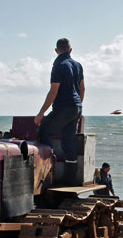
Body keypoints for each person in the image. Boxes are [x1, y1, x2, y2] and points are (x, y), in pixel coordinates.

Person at [34, 38, 85, 185]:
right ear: (70, 50)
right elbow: (82, 88)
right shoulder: (78, 65)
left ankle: (49, 165)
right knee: (69, 140)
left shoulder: (58, 65)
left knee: (43, 129)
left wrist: (41, 113)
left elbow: (53, 91)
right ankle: (70, 180)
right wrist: (78, 106)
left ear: (56, 51)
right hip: (76, 108)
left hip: (64, 107)